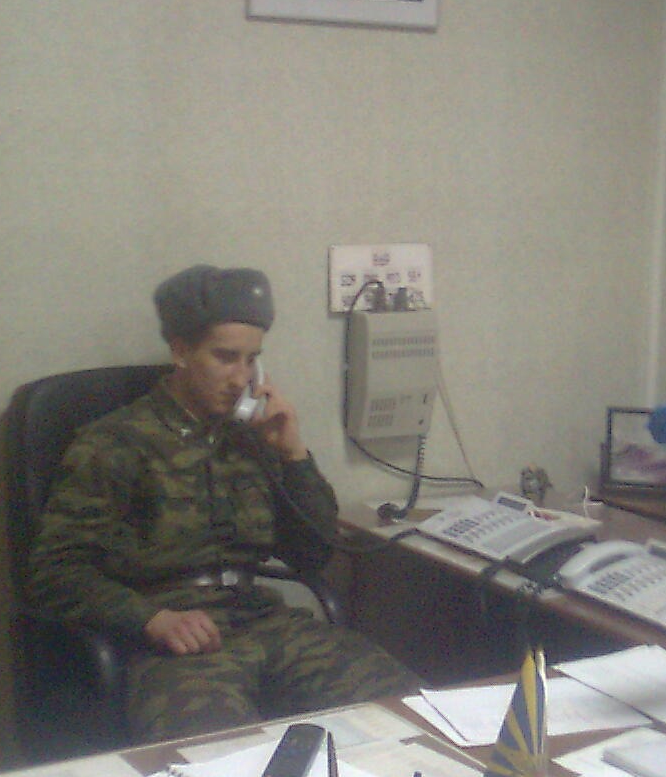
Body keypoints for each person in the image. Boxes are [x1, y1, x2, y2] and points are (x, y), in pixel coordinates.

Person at [28, 264, 417, 741]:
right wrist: (151, 619)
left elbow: (313, 554)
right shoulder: (114, 443)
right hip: (178, 644)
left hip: (265, 622)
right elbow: (55, 573)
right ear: (181, 351)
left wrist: (293, 455)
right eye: (226, 357)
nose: (240, 378)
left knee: (404, 715)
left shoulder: (252, 437)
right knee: (217, 758)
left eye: (252, 360)